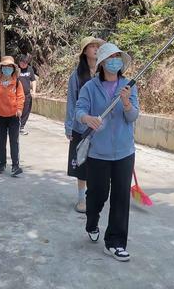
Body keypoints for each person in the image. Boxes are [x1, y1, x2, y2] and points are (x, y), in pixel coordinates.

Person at [75, 42, 139, 262]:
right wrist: (87, 118)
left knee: (121, 198)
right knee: (98, 194)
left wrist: (127, 104)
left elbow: (133, 117)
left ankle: (115, 242)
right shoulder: (90, 88)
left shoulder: (128, 87)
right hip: (98, 153)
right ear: (102, 63)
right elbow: (79, 110)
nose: (115, 61)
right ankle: (92, 221)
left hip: (124, 152)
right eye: (111, 57)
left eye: (118, 57)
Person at [65, 37, 103, 213]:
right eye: (92, 47)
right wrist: (69, 126)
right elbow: (72, 102)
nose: (96, 49)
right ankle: (82, 199)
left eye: (98, 47)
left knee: (99, 164)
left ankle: (94, 197)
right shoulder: (77, 76)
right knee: (81, 163)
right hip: (81, 127)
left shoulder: (105, 73)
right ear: (85, 51)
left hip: (101, 128)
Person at [0, 56, 25, 177]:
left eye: (9, 67)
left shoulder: (17, 82)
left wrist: (19, 109)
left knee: (14, 141)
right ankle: (2, 164)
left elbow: (20, 97)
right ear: (1, 68)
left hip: (13, 116)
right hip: (0, 116)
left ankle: (15, 165)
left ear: (13, 69)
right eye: (5, 67)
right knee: (1, 141)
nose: (7, 69)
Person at [18, 54, 37, 135]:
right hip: (17, 95)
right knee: (17, 111)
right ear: (19, 62)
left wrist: (34, 91)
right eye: (22, 63)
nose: (24, 65)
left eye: (25, 63)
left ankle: (21, 127)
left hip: (27, 95)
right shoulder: (16, 69)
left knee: (26, 111)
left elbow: (33, 80)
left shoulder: (30, 69)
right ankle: (15, 127)